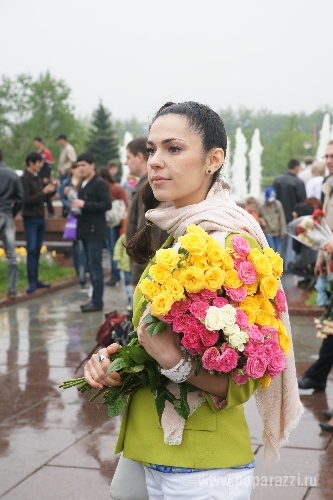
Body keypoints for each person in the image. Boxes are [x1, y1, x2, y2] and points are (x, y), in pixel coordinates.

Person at [84, 102, 302, 500]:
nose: (156, 162)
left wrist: (175, 362)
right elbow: (155, 338)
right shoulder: (175, 233)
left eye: (174, 148)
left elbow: (245, 378)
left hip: (201, 468)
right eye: (151, 149)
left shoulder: (229, 243)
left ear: (213, 159)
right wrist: (114, 361)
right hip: (146, 452)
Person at [298, 141, 333, 391]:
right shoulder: (328, 186)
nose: (329, 160)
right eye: (327, 156)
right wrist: (322, 258)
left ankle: (316, 376)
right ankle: (317, 377)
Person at [125, 137, 168, 289]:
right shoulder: (145, 186)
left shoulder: (148, 189)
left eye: (128, 157)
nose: (125, 162)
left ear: (140, 157)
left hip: (148, 275)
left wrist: (136, 278)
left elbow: (147, 236)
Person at [71, 152, 111, 312]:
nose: (80, 168)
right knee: (90, 265)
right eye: (78, 165)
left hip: (95, 231)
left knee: (95, 267)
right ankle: (94, 298)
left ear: (92, 165)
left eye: (83, 165)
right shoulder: (83, 183)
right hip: (85, 230)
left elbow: (106, 204)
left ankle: (97, 301)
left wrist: (84, 204)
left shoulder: (99, 183)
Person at [21, 152, 57, 293]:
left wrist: (51, 191)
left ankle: (36, 279)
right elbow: (27, 200)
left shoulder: (37, 178)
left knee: (37, 249)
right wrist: (44, 192)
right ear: (31, 162)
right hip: (30, 218)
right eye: (39, 163)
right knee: (31, 249)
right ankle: (32, 281)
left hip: (40, 217)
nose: (41, 166)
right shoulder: (24, 178)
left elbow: (43, 199)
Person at [273, 158, 306, 272]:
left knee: (279, 242)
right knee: (291, 243)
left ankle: (276, 265)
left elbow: (273, 197)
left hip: (277, 217)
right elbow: (302, 201)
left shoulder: (278, 180)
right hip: (293, 216)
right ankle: (288, 266)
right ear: (296, 167)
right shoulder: (298, 182)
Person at [97, 167, 128, 287]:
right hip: (113, 222)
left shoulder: (112, 188)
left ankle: (115, 275)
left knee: (114, 250)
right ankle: (116, 275)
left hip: (113, 223)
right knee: (114, 250)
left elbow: (124, 203)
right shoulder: (116, 187)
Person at [0, 150, 24, 298]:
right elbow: (20, 198)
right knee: (11, 254)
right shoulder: (12, 174)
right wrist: (12, 212)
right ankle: (12, 288)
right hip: (7, 213)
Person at [59, 162, 87, 286]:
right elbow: (62, 197)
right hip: (72, 216)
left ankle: (82, 272)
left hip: (83, 215)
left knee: (81, 244)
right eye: (75, 167)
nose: (78, 170)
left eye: (79, 167)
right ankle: (78, 269)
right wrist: (70, 206)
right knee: (74, 243)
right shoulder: (67, 182)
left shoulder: (84, 182)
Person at [258, 187, 286, 252]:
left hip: (277, 232)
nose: (270, 202)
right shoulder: (261, 206)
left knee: (279, 251)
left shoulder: (278, 205)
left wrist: (283, 232)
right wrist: (262, 220)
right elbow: (258, 217)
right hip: (268, 231)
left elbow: (282, 218)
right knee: (272, 250)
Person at [33, 136, 55, 217]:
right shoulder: (37, 152)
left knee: (47, 195)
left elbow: (49, 165)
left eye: (36, 143)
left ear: (40, 142)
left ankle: (51, 212)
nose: (35, 145)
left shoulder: (46, 152)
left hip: (44, 176)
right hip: (38, 176)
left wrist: (46, 176)